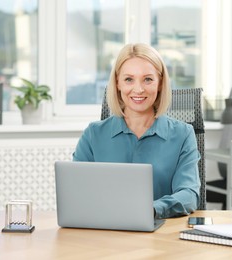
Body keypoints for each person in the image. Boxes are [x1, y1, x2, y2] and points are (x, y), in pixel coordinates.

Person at [73, 43, 200, 219]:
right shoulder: (94, 134)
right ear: (117, 82)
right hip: (105, 232)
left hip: (159, 233)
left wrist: (151, 209)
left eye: (148, 79)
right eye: (129, 79)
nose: (138, 89)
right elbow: (76, 192)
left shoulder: (183, 134)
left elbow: (189, 194)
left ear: (160, 83)